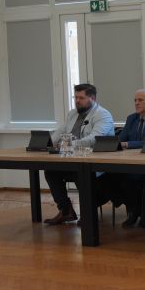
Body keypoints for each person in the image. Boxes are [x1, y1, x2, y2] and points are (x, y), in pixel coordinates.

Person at [43, 83, 114, 225]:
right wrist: (47, 143)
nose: (77, 101)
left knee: (79, 171)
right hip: (74, 159)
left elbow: (94, 139)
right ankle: (66, 210)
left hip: (96, 163)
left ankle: (88, 211)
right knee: (50, 170)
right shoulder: (72, 114)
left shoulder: (102, 114)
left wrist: (69, 145)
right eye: (75, 97)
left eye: (81, 98)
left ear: (92, 98)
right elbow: (61, 131)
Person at [100, 89, 145, 228]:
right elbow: (121, 139)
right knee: (107, 177)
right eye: (135, 100)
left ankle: (135, 211)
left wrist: (128, 144)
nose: (136, 103)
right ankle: (130, 207)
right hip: (129, 162)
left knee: (129, 180)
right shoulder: (132, 118)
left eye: (140, 100)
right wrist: (113, 143)